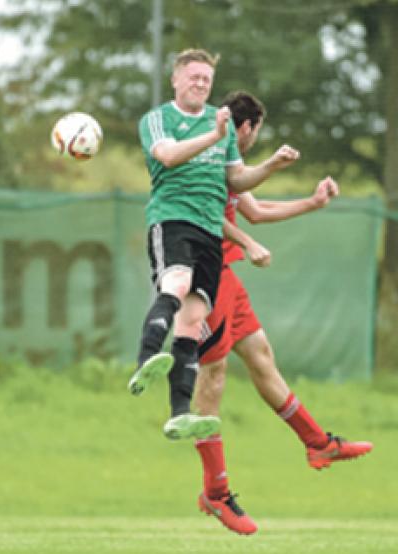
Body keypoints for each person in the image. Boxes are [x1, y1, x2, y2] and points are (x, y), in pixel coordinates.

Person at [192, 90, 373, 535]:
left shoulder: (230, 163)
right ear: (248, 128)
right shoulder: (209, 155)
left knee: (261, 358)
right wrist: (250, 243)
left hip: (228, 279)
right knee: (212, 379)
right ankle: (215, 493)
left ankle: (318, 444)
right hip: (204, 274)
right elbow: (201, 212)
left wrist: (312, 204)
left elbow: (251, 209)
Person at [128, 49, 300, 441]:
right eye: (193, 77)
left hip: (209, 231)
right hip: (173, 219)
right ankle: (146, 355)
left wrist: (272, 164)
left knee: (192, 321)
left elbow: (236, 180)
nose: (200, 84)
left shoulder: (217, 123)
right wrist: (214, 135)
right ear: (176, 79)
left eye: (206, 79)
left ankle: (179, 413)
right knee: (176, 283)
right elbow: (168, 156)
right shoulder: (159, 119)